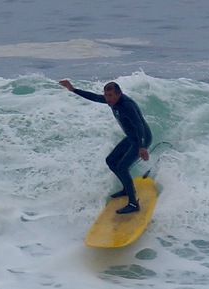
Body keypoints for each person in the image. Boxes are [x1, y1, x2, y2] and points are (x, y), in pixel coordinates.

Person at [59, 80, 152, 214]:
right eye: (106, 95)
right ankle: (127, 189)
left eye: (110, 95)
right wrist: (73, 90)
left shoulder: (127, 106)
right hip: (132, 138)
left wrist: (142, 147)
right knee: (111, 161)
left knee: (122, 167)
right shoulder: (113, 101)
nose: (107, 99)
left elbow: (139, 126)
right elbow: (95, 97)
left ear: (119, 94)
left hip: (141, 138)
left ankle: (133, 203)